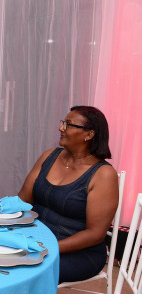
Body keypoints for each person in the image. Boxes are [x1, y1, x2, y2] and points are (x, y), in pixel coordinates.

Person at [17, 106, 119, 283]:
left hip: (78, 252)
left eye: (68, 124)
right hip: (36, 238)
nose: (61, 128)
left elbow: (95, 234)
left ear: (89, 134)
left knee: (23, 270)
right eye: (63, 123)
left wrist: (48, 247)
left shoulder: (103, 174)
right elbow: (23, 201)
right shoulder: (49, 156)